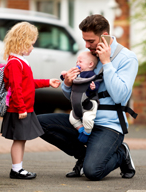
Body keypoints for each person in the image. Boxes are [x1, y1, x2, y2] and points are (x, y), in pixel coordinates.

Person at [38, 14, 138, 181]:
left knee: (93, 172)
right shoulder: (88, 55)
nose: (86, 45)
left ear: (104, 35)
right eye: (85, 40)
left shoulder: (127, 58)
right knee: (38, 123)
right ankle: (84, 156)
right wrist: (68, 84)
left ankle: (121, 153)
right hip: (82, 120)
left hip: (109, 125)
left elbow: (120, 96)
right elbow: (74, 96)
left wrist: (106, 63)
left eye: (91, 41)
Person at [0, 22, 60, 180]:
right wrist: (21, 108)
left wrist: (48, 82)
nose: (33, 48)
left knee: (21, 139)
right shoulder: (14, 63)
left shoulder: (19, 61)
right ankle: (16, 169)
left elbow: (28, 83)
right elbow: (16, 88)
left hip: (23, 107)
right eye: (31, 44)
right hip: (19, 109)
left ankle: (18, 168)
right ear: (22, 41)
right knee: (19, 140)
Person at [60, 51, 100, 143]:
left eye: (80, 62)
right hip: (78, 106)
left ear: (90, 64)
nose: (77, 64)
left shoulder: (91, 75)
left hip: (89, 105)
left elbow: (95, 85)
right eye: (77, 62)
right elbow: (69, 78)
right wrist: (64, 76)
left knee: (87, 119)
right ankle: (81, 129)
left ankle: (87, 133)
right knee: (72, 118)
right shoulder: (78, 73)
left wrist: (93, 87)